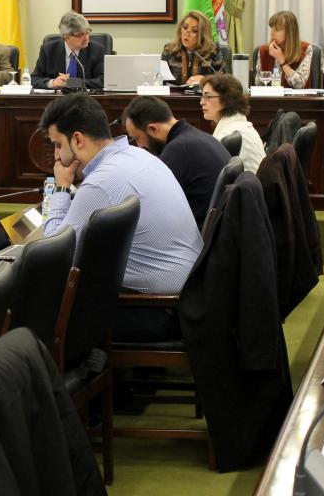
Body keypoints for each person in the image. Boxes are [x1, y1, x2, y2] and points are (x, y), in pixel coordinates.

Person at [39, 93, 202, 344]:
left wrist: (61, 188)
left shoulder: (102, 182)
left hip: (157, 310)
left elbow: (54, 255)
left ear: (78, 140)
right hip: (190, 299)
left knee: (41, 309)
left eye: (58, 145)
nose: (58, 156)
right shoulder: (140, 156)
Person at [122, 96, 230, 229]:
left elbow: (152, 204)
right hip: (219, 229)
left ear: (153, 129)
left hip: (197, 236)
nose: (139, 146)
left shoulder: (178, 150)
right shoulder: (200, 137)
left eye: (136, 138)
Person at [200, 73, 265, 173]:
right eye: (202, 96)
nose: (202, 102)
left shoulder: (229, 133)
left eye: (207, 96)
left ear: (226, 99)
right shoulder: (239, 124)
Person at [31, 11, 105, 90]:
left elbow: (103, 80)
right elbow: (35, 79)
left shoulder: (97, 50)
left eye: (87, 32)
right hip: (57, 97)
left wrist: (73, 83)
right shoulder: (48, 50)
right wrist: (52, 83)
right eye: (80, 35)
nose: (86, 38)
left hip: (85, 96)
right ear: (66, 36)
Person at [161, 11, 226, 85]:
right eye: (185, 27)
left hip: (203, 92)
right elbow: (160, 79)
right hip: (174, 92)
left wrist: (205, 80)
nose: (186, 33)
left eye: (194, 31)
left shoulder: (213, 51)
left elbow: (224, 81)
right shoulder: (169, 50)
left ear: (203, 35)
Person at [254, 11, 314, 89]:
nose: (271, 33)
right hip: (270, 96)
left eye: (277, 29)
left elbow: (299, 85)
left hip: (296, 97)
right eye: (271, 28)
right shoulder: (264, 51)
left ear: (290, 32)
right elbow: (258, 85)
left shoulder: (305, 49)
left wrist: (282, 61)